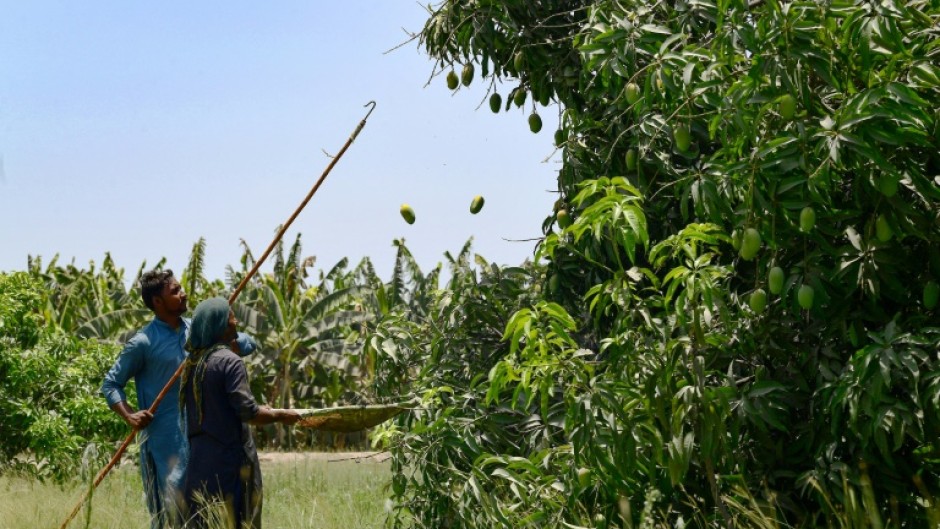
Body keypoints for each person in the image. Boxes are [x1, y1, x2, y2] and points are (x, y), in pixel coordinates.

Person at [100, 269, 259, 529]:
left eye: (181, 288)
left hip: (201, 434)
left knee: (209, 510)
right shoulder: (143, 342)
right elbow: (111, 384)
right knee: (172, 511)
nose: (183, 293)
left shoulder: (198, 332)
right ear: (157, 302)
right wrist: (129, 415)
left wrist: (234, 345)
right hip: (166, 441)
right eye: (175, 291)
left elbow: (247, 342)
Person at [175, 297, 299, 529]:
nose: (236, 321)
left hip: (200, 463)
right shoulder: (230, 361)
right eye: (231, 318)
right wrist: (281, 415)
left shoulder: (193, 364)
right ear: (221, 326)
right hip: (230, 464)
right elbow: (249, 412)